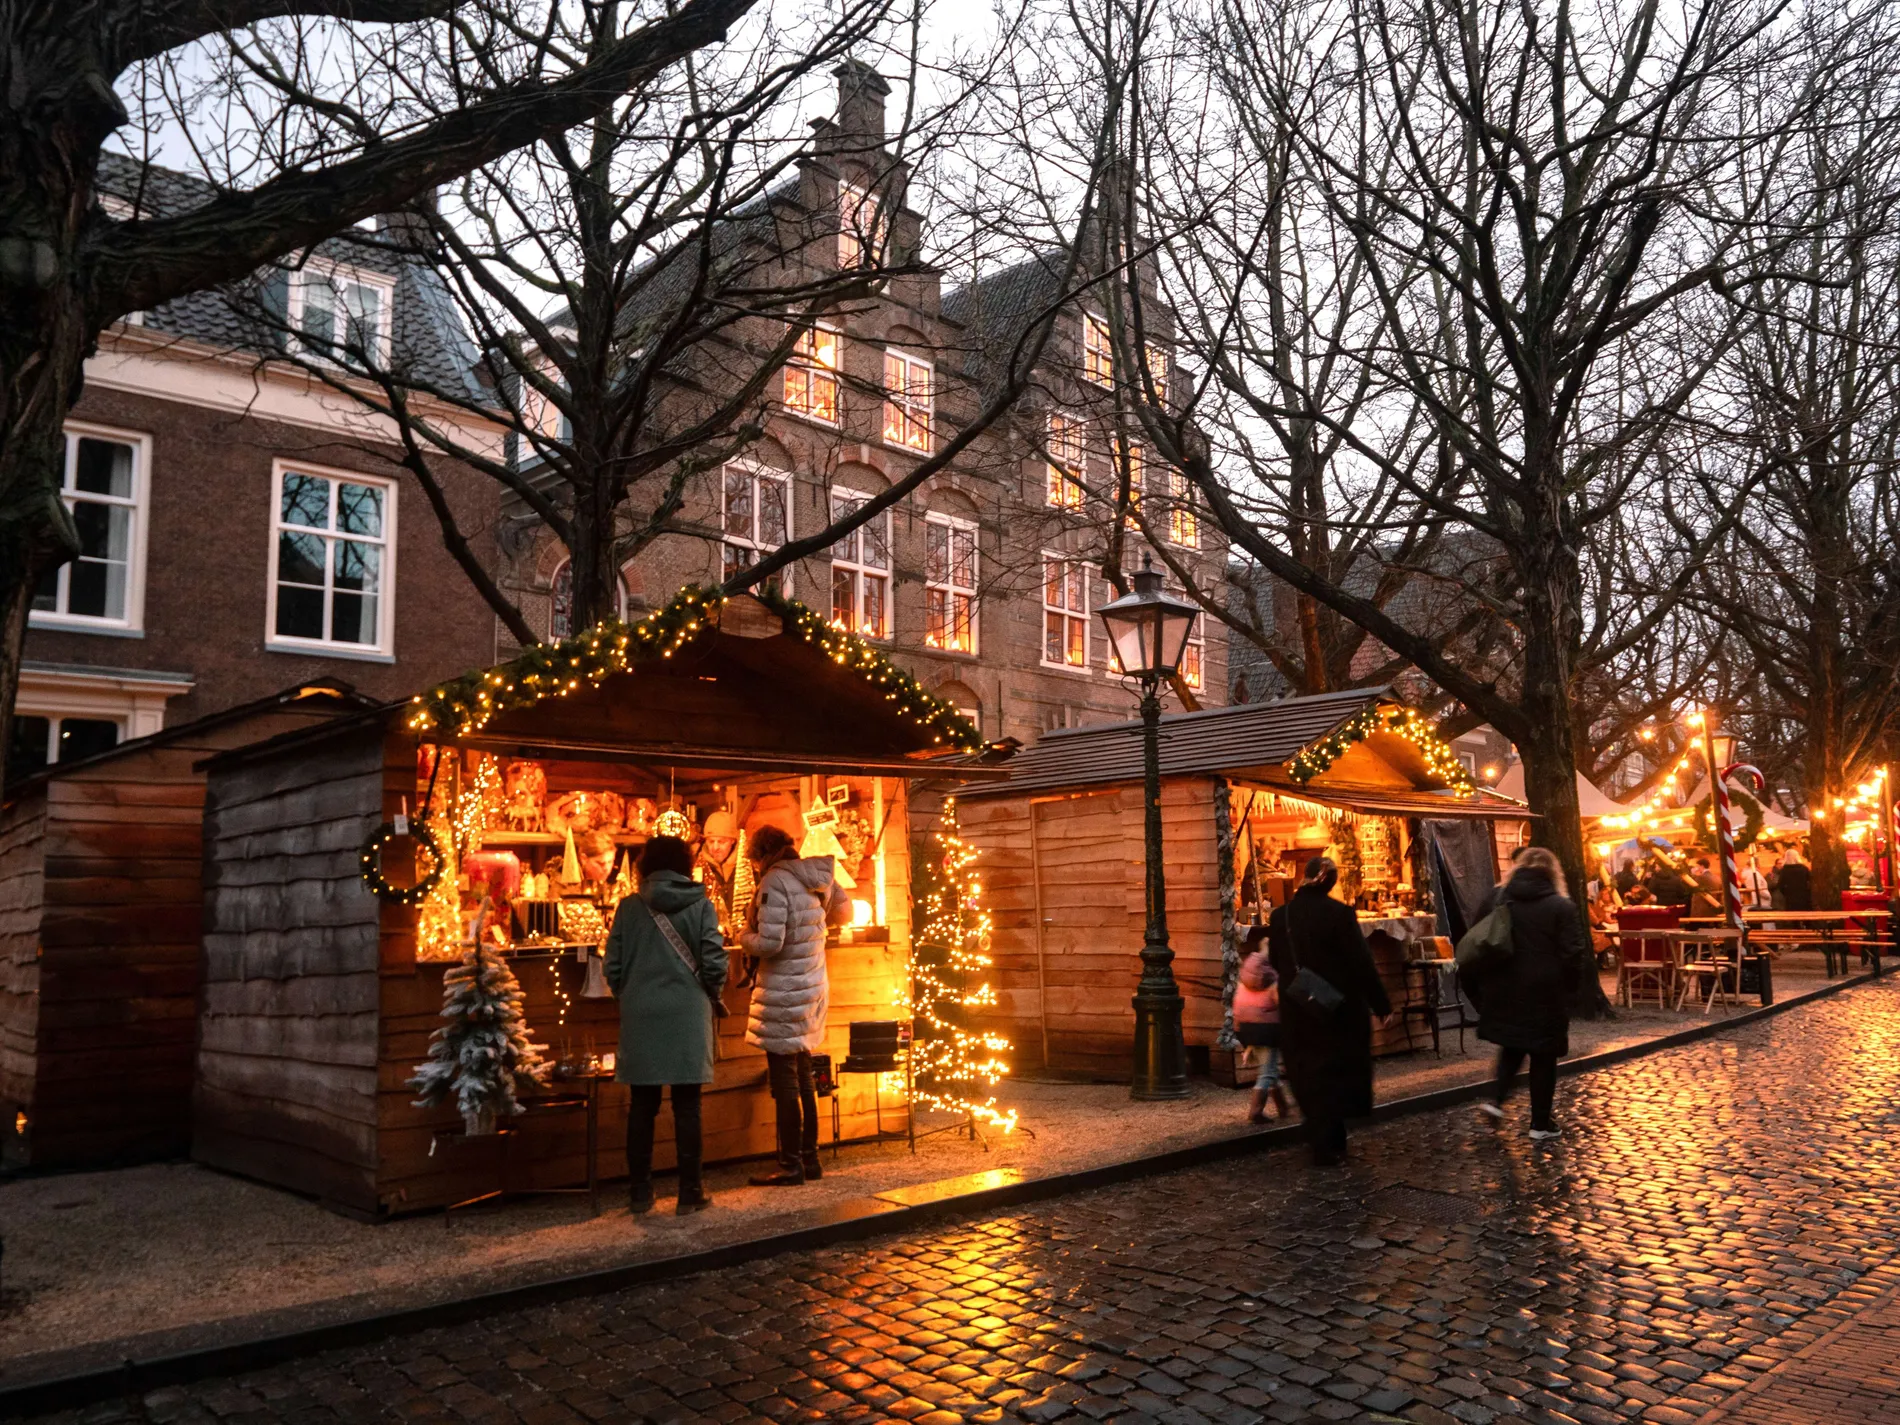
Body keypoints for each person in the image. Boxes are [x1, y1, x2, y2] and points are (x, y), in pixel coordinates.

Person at [604, 834, 728, 1216]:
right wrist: (710, 991)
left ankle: (640, 1193)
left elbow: (612, 966)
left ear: (645, 866)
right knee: (687, 1106)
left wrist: (631, 993)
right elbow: (714, 960)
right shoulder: (702, 905)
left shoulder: (628, 907)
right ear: (685, 865)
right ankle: (690, 1192)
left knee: (642, 1105)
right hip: (688, 1012)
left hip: (642, 1014)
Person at [741, 824, 849, 1186]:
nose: (755, 867)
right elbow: (845, 915)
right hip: (813, 984)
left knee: (785, 1079)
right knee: (803, 1074)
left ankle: (789, 1165)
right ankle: (810, 1159)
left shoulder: (775, 881)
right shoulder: (816, 875)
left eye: (754, 860)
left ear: (763, 854)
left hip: (784, 990)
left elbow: (770, 943)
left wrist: (744, 938)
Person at [1267, 856, 1392, 1166]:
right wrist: (1380, 1003)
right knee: (1336, 1069)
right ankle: (1331, 1137)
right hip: (1338, 1006)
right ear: (1330, 883)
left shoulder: (1280, 917)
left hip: (1297, 1005)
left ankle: (1320, 1133)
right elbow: (1361, 962)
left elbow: (1275, 958)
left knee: (1307, 1069)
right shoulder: (1339, 914)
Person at [1472, 846, 1587, 1141]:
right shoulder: (1561, 906)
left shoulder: (1498, 898)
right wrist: (1570, 990)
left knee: (1512, 1044)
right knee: (1543, 1054)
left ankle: (1496, 1099)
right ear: (1553, 873)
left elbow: (1478, 936)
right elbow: (1574, 953)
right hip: (1546, 990)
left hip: (1505, 986)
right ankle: (1540, 1123)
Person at [1233, 925, 1288, 1124]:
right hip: (1266, 1028)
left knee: (1269, 1068)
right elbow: (1280, 1002)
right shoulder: (1271, 977)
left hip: (1246, 1027)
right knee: (1268, 1072)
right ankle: (1256, 1112)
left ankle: (1284, 1108)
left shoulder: (1247, 973)